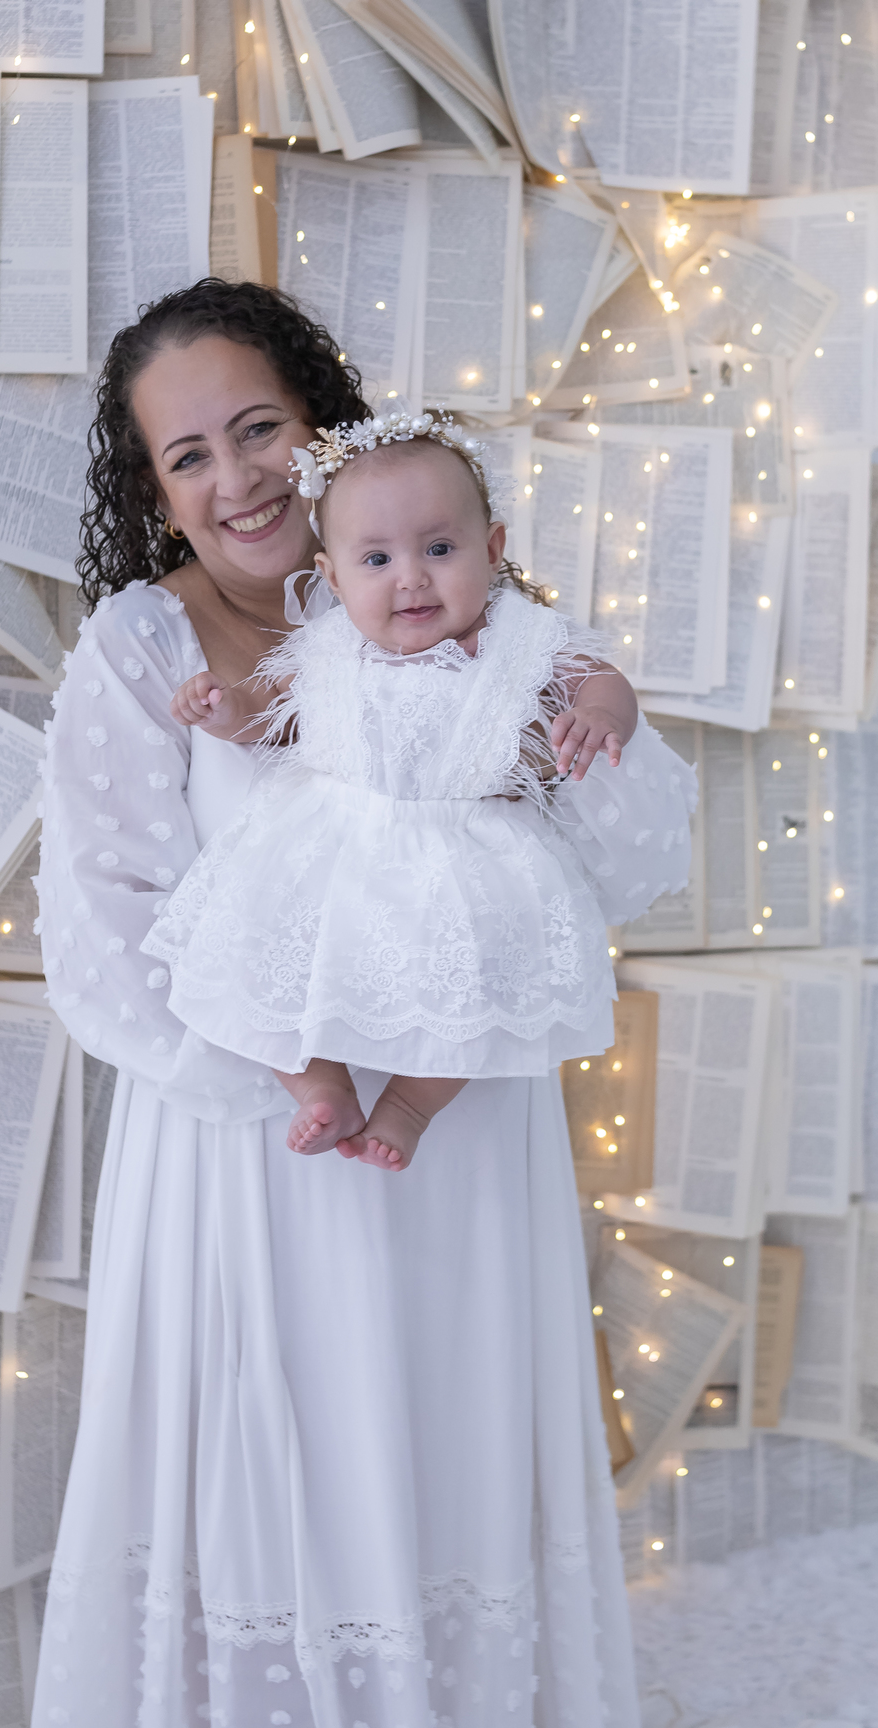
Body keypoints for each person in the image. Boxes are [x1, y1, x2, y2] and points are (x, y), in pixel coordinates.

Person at [25, 278, 696, 1728]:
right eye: (189, 455)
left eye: (260, 428)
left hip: (458, 1143)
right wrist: (296, 1065)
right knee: (277, 1480)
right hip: (255, 1150)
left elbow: (612, 852)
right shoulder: (146, 650)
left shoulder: (437, 588)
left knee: (445, 1466)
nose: (238, 475)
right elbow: (108, 934)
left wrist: (585, 731)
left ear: (324, 426)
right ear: (157, 495)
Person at [143, 403, 691, 1172]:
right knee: (246, 967)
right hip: (330, 853)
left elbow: (598, 678)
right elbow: (272, 719)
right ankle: (319, 1087)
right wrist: (225, 709)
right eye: (376, 561)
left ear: (492, 549)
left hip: (463, 860)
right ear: (331, 575)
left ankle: (406, 1107)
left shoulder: (515, 640)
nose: (411, 579)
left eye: (439, 548)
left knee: (479, 993)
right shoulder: (329, 648)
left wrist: (600, 715)